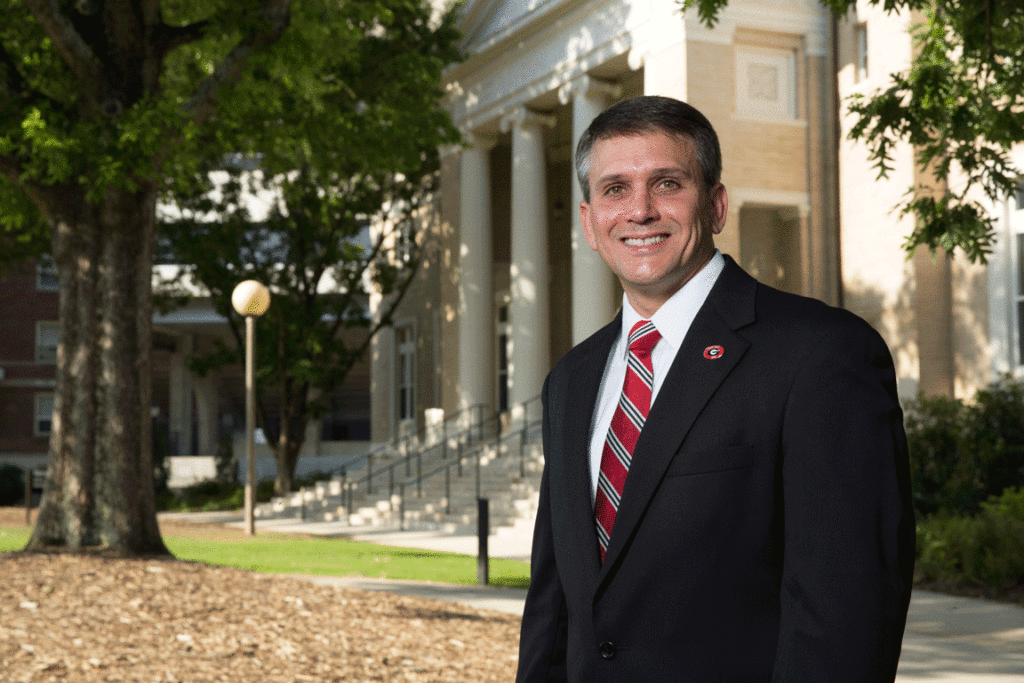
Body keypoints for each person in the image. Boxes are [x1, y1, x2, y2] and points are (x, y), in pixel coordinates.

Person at [515, 95, 915, 682]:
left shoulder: (821, 354)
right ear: (588, 222)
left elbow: (846, 613)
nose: (641, 211)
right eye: (615, 189)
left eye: (668, 184)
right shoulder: (571, 380)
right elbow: (554, 609)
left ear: (717, 204)